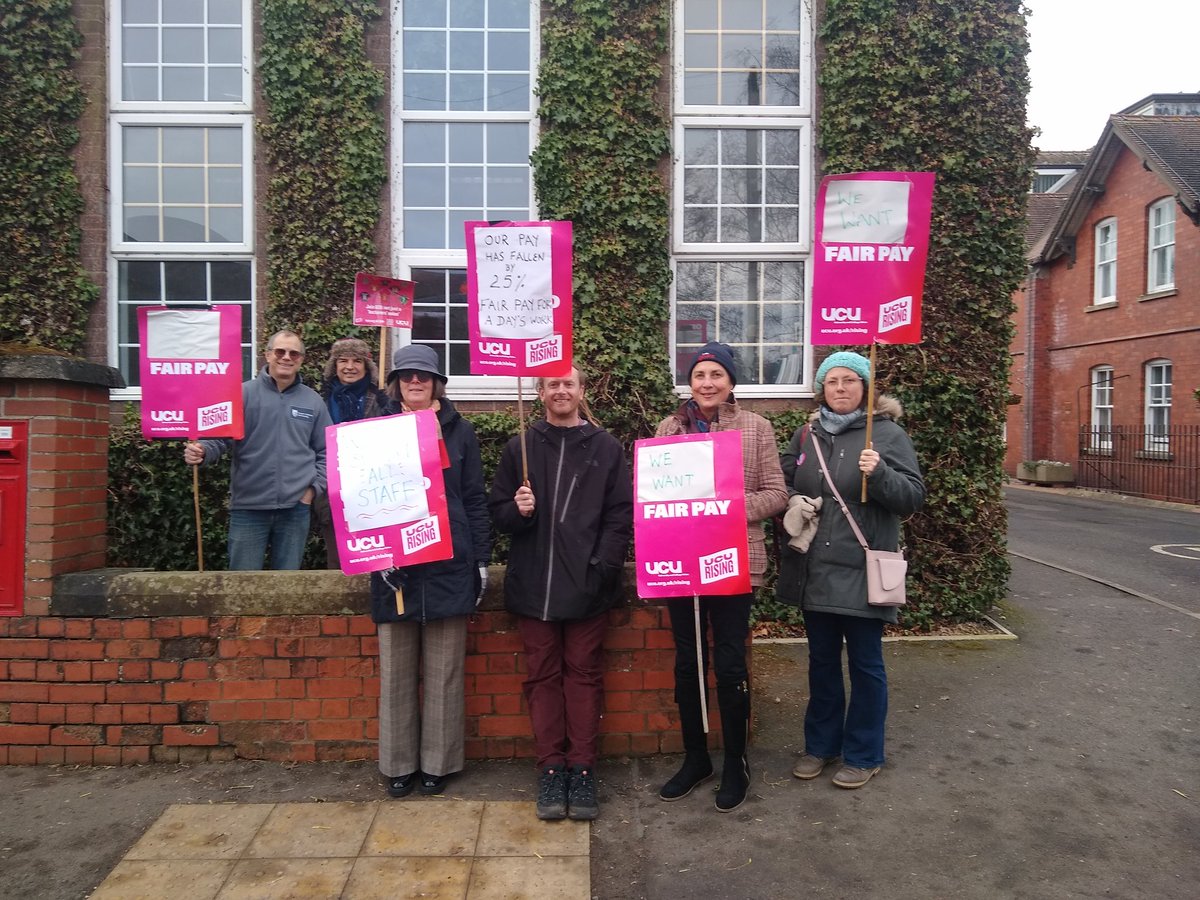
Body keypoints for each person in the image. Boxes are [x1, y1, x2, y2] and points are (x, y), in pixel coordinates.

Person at [489, 367, 633, 821]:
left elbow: (619, 515)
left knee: (584, 676)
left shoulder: (606, 448)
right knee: (542, 678)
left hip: (588, 586)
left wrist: (604, 566)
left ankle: (582, 769)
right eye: (553, 384)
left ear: (581, 391)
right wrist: (518, 509)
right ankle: (552, 767)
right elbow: (498, 513)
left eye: (569, 383)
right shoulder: (522, 447)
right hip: (534, 585)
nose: (561, 391)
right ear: (540, 393)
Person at [780, 351, 925, 789]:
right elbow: (784, 480)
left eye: (849, 381)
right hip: (816, 569)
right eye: (831, 382)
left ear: (866, 387)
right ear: (821, 388)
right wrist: (792, 500)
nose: (840, 388)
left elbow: (912, 498)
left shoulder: (886, 434)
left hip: (863, 570)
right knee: (821, 663)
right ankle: (821, 746)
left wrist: (880, 472)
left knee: (865, 665)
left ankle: (864, 754)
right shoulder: (806, 435)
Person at [654, 342, 788, 813]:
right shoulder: (668, 428)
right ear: (689, 383)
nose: (707, 383)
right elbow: (655, 498)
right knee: (688, 663)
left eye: (716, 374)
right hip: (682, 563)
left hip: (734, 559)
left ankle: (736, 761)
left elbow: (777, 494)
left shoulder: (757, 427)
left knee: (730, 664)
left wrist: (728, 512)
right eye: (699, 375)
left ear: (731, 382)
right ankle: (696, 759)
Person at [368, 344, 490, 799]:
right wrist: (377, 557)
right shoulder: (376, 429)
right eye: (406, 375)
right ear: (396, 381)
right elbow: (361, 500)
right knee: (396, 670)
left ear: (437, 382)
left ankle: (438, 763)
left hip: (449, 563)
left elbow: (475, 498)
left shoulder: (461, 432)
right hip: (394, 567)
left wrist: (479, 559)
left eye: (423, 375)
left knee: (444, 670)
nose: (414, 381)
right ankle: (399, 763)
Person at [183, 330, 331, 570]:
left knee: (286, 586)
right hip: (249, 507)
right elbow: (219, 439)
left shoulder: (312, 401)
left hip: (296, 509)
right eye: (280, 351)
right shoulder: (242, 394)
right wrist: (202, 450)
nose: (286, 357)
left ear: (301, 359)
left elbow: (327, 452)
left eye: (293, 353)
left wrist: (311, 492)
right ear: (268, 355)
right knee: (243, 583)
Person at [315, 337, 390, 568]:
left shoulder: (382, 400)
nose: (350, 367)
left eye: (357, 361)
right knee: (338, 561)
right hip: (332, 492)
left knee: (374, 558)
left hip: (372, 492)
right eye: (343, 361)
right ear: (334, 366)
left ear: (367, 367)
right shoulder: (320, 401)